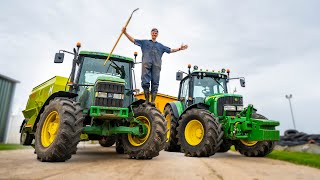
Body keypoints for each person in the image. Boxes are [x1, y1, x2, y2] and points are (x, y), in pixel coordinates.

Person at [123, 27, 188, 105]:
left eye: (156, 32)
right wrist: (125, 33)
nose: (154, 33)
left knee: (155, 83)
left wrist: (180, 48)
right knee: (145, 82)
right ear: (151, 33)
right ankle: (147, 100)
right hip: (146, 65)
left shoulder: (161, 46)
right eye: (153, 32)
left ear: (157, 34)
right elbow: (133, 40)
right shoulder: (144, 42)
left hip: (156, 66)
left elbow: (170, 50)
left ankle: (153, 101)